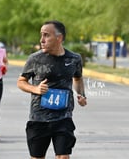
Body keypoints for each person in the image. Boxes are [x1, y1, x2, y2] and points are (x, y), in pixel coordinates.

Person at [17, 20, 87, 159]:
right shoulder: (35, 59)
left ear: (59, 38)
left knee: (63, 156)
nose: (41, 40)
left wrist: (81, 94)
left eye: (46, 35)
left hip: (63, 117)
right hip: (39, 119)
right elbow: (21, 82)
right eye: (41, 35)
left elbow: (78, 78)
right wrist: (35, 89)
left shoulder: (74, 59)